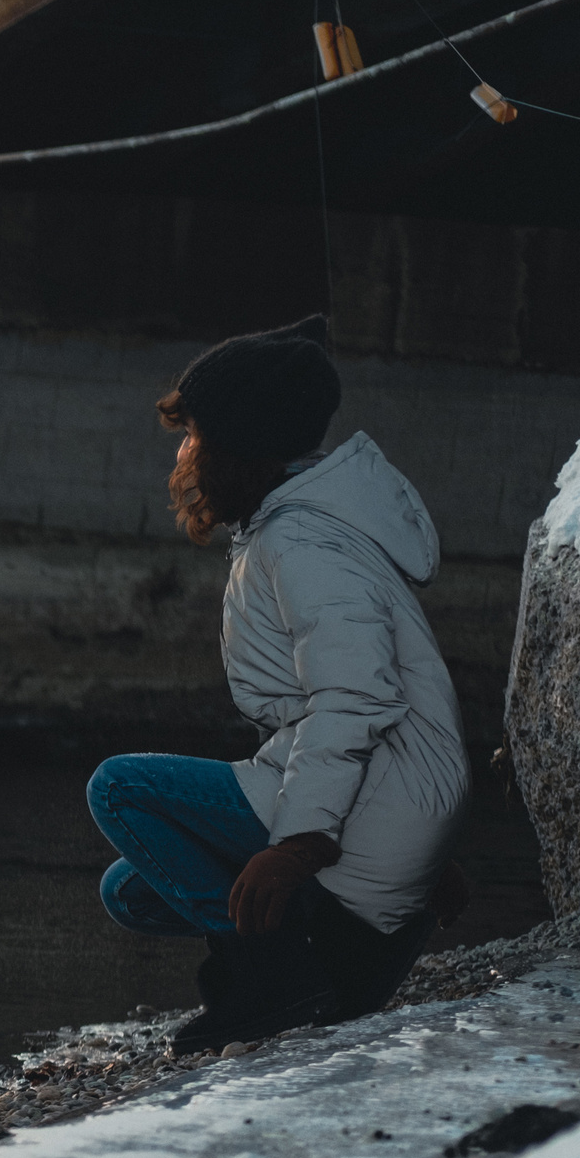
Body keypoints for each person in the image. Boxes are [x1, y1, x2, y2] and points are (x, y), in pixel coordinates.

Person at [87, 314, 469, 1054]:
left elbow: (356, 698)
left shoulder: (302, 541)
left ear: (240, 445)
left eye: (195, 435)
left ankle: (272, 982)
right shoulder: (294, 525)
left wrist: (296, 848)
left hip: (379, 841)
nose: (185, 454)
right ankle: (296, 958)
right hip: (388, 830)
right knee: (128, 888)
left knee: (119, 790)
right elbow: (352, 710)